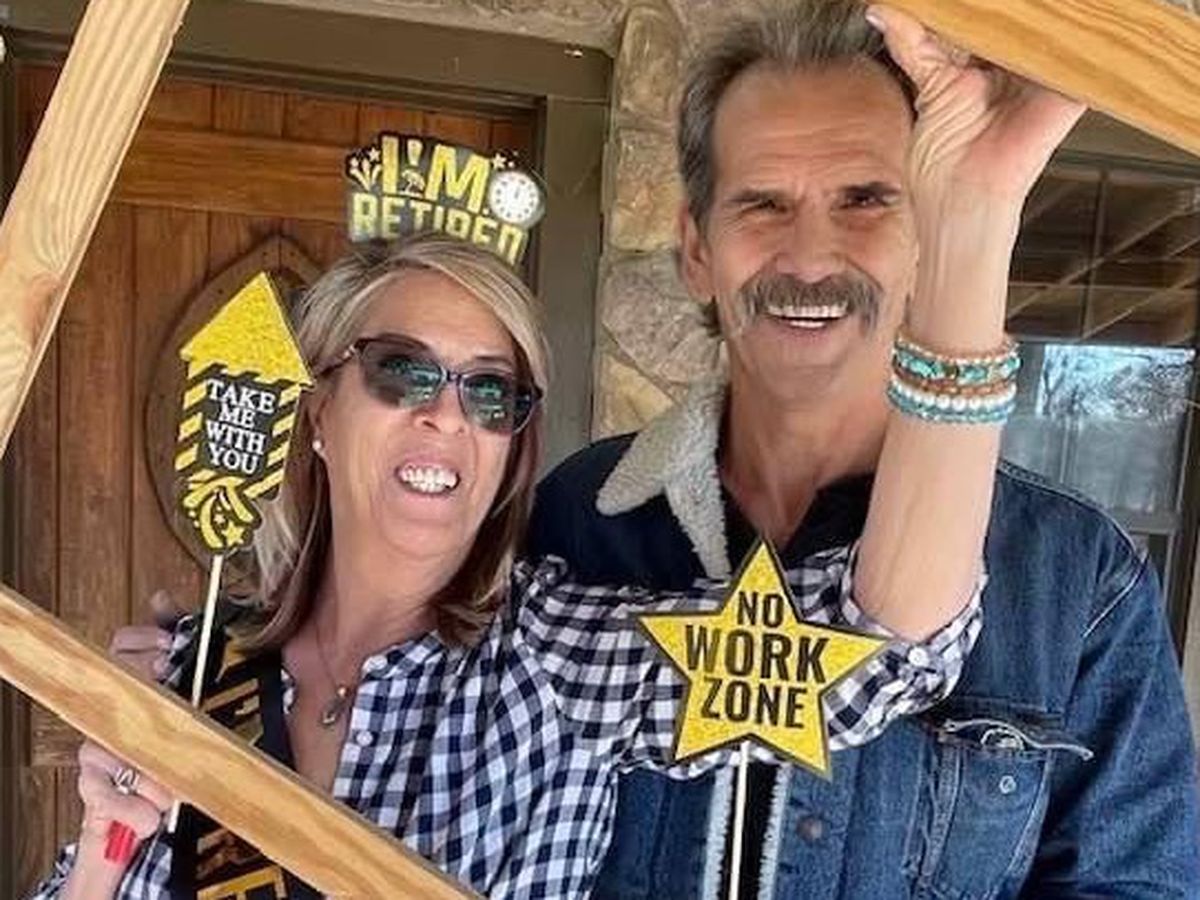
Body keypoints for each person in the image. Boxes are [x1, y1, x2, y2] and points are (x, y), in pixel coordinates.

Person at [30, 214, 989, 900]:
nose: (448, 415)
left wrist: (977, 216)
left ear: (511, 447)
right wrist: (104, 841)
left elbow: (884, 648)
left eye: (491, 393)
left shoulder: (554, 660)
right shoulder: (198, 668)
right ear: (319, 408)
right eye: (401, 370)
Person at [530, 2, 1200, 897]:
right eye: (763, 203)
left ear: (926, 236)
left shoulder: (1077, 574)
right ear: (696, 249)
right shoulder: (577, 513)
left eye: (864, 200)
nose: (810, 257)